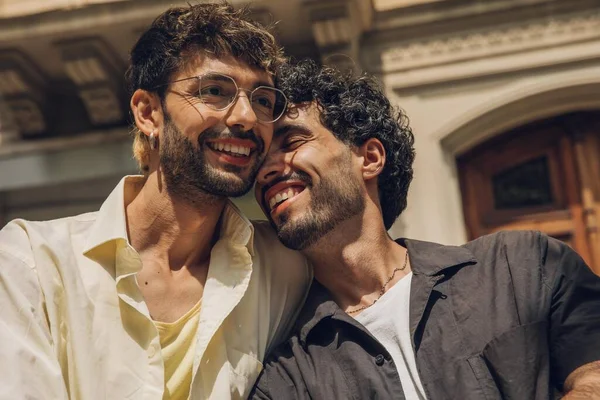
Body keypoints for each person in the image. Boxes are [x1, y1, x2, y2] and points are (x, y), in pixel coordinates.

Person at [0, 4, 311, 400]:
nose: (247, 117)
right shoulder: (32, 263)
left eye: (264, 100)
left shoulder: (284, 267)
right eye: (214, 91)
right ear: (149, 113)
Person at [250, 59, 600, 399]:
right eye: (259, 159)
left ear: (370, 158)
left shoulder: (522, 267)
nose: (266, 170)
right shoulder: (285, 375)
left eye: (292, 142)